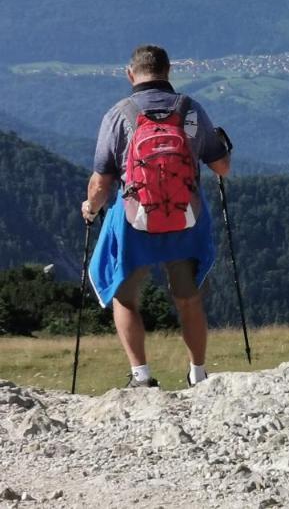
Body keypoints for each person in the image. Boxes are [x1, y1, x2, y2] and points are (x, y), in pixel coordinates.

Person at [82, 44, 231, 388]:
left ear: (130, 74)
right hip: (185, 220)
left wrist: (90, 209)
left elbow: (102, 182)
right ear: (169, 71)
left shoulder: (118, 115)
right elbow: (221, 167)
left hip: (135, 224)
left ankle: (142, 376)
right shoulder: (191, 111)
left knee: (124, 297)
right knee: (189, 298)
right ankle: (197, 373)